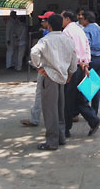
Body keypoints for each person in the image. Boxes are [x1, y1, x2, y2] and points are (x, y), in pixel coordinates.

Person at [29, 14, 77, 151]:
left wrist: (38, 67)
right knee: (60, 108)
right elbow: (74, 59)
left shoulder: (45, 40)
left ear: (49, 26)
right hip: (63, 77)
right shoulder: (68, 40)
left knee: (50, 110)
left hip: (49, 77)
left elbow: (34, 52)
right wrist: (70, 73)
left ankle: (51, 141)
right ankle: (61, 136)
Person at [61, 11, 100, 138]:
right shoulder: (80, 30)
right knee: (80, 98)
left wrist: (78, 63)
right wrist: (86, 63)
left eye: (62, 18)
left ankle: (65, 129)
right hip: (83, 67)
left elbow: (71, 51)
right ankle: (93, 120)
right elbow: (87, 47)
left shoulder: (66, 32)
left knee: (67, 99)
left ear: (67, 19)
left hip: (74, 68)